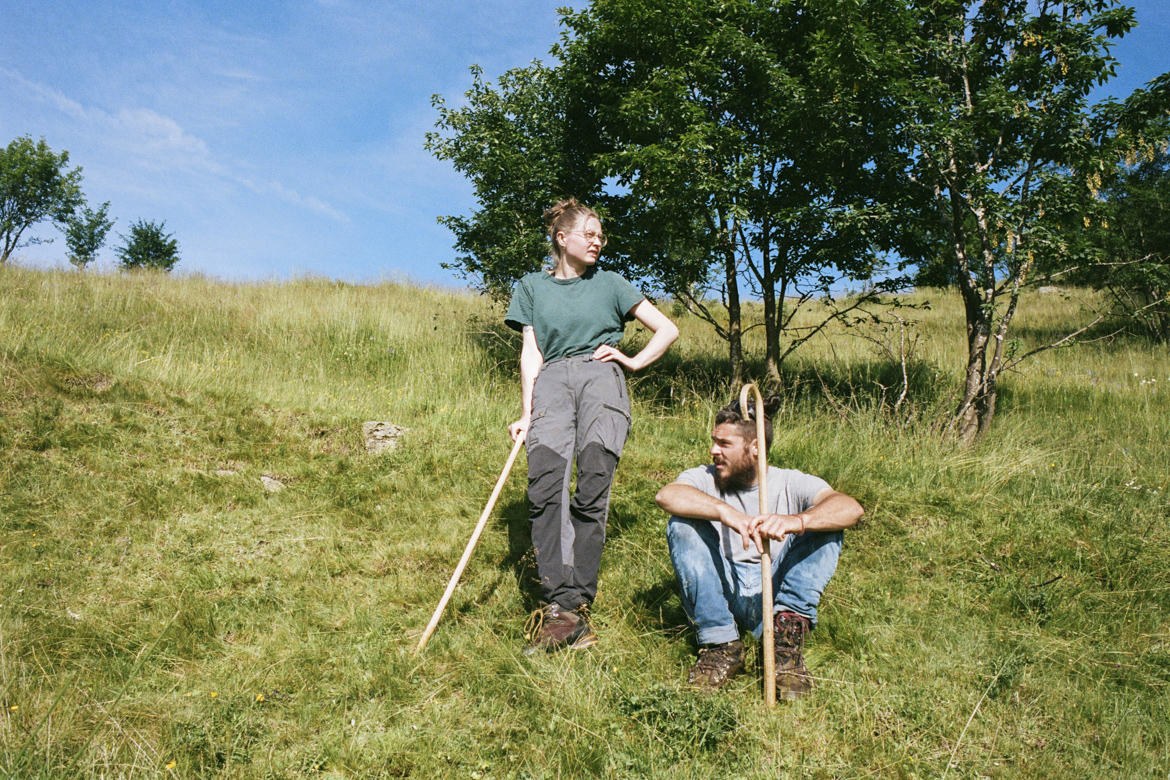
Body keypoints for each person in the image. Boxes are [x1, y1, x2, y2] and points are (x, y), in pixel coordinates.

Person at [505, 197, 679, 655]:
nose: (598, 241)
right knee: (545, 487)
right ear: (562, 239)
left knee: (592, 485)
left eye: (601, 235)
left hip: (602, 379)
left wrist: (632, 361)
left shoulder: (613, 284)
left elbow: (667, 329)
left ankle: (574, 605)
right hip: (553, 384)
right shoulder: (530, 288)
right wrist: (526, 412)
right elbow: (532, 352)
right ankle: (560, 608)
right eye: (590, 233)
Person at [655, 400, 863, 697]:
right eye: (714, 442)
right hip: (724, 590)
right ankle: (720, 645)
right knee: (682, 524)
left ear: (755, 448)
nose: (714, 451)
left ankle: (784, 648)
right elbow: (667, 496)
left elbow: (850, 508)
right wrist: (725, 512)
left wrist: (797, 521)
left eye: (724, 443)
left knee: (826, 525)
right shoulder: (705, 476)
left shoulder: (791, 482)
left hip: (774, 592)